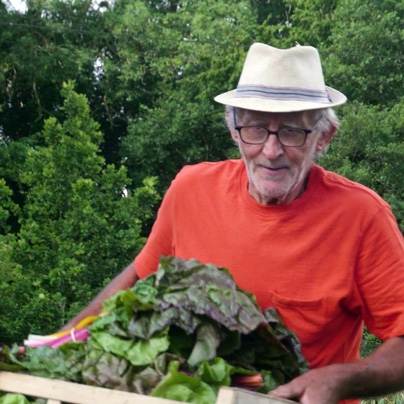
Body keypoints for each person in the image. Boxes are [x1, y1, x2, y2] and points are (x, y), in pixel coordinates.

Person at [62, 43, 404, 404]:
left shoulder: (362, 217)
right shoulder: (191, 190)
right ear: (233, 131)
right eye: (255, 129)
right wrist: (61, 343)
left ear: (322, 137)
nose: (271, 151)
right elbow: (140, 279)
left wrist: (339, 380)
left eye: (291, 132)